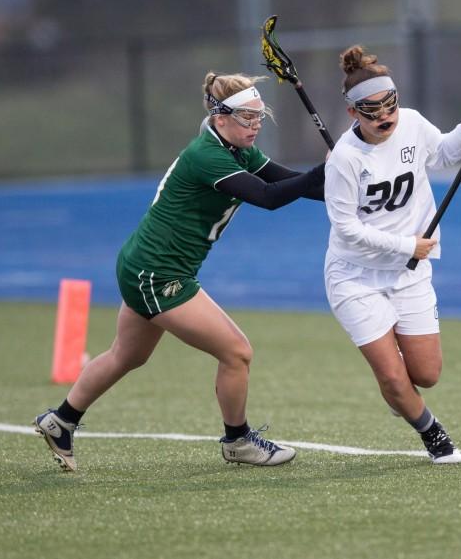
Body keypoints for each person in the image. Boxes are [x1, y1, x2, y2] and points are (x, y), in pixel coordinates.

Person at [34, 72, 326, 471]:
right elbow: (269, 197)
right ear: (220, 117)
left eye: (260, 117)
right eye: (247, 118)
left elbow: (297, 183)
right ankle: (238, 442)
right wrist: (323, 172)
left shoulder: (239, 149)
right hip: (157, 273)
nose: (256, 125)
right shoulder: (208, 155)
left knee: (127, 355)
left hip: (147, 266)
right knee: (237, 352)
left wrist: (341, 175)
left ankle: (61, 420)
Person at [323, 45, 461, 464]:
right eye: (372, 111)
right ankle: (432, 432)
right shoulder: (344, 160)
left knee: (425, 375)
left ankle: (400, 391)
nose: (385, 116)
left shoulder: (413, 124)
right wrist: (408, 244)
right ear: (352, 114)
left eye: (391, 106)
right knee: (392, 376)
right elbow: (346, 230)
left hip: (410, 273)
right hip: (355, 277)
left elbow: (439, 154)